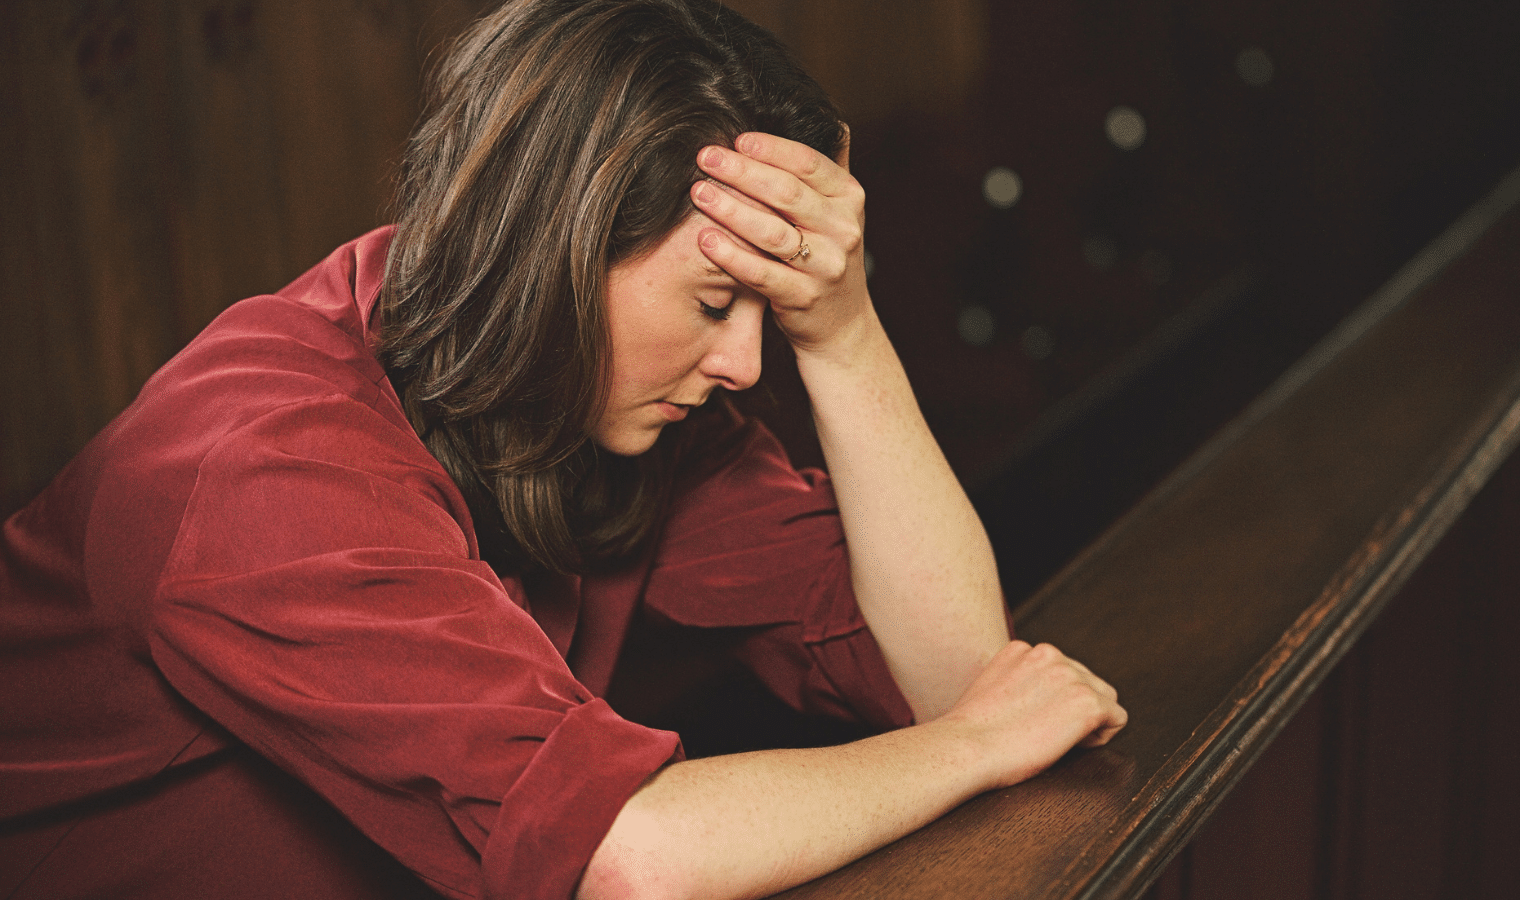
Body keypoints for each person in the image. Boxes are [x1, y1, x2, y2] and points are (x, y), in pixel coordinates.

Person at [0, 1, 1126, 898]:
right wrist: (975, 748)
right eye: (716, 300)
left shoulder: (599, 389)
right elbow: (630, 860)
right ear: (561, 253)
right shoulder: (259, 469)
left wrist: (841, 331)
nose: (744, 364)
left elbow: (948, 672)